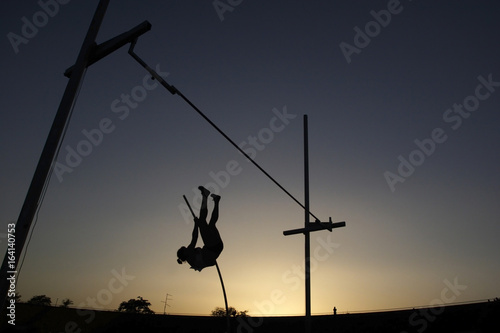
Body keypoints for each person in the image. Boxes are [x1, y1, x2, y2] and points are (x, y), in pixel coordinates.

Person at [177, 186, 223, 271]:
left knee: (212, 224)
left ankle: (216, 201)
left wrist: (211, 258)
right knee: (202, 220)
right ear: (184, 254)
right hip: (212, 247)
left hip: (217, 247)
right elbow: (194, 238)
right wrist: (196, 224)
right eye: (184, 249)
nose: (187, 248)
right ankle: (205, 195)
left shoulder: (193, 261)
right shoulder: (189, 253)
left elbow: (211, 263)